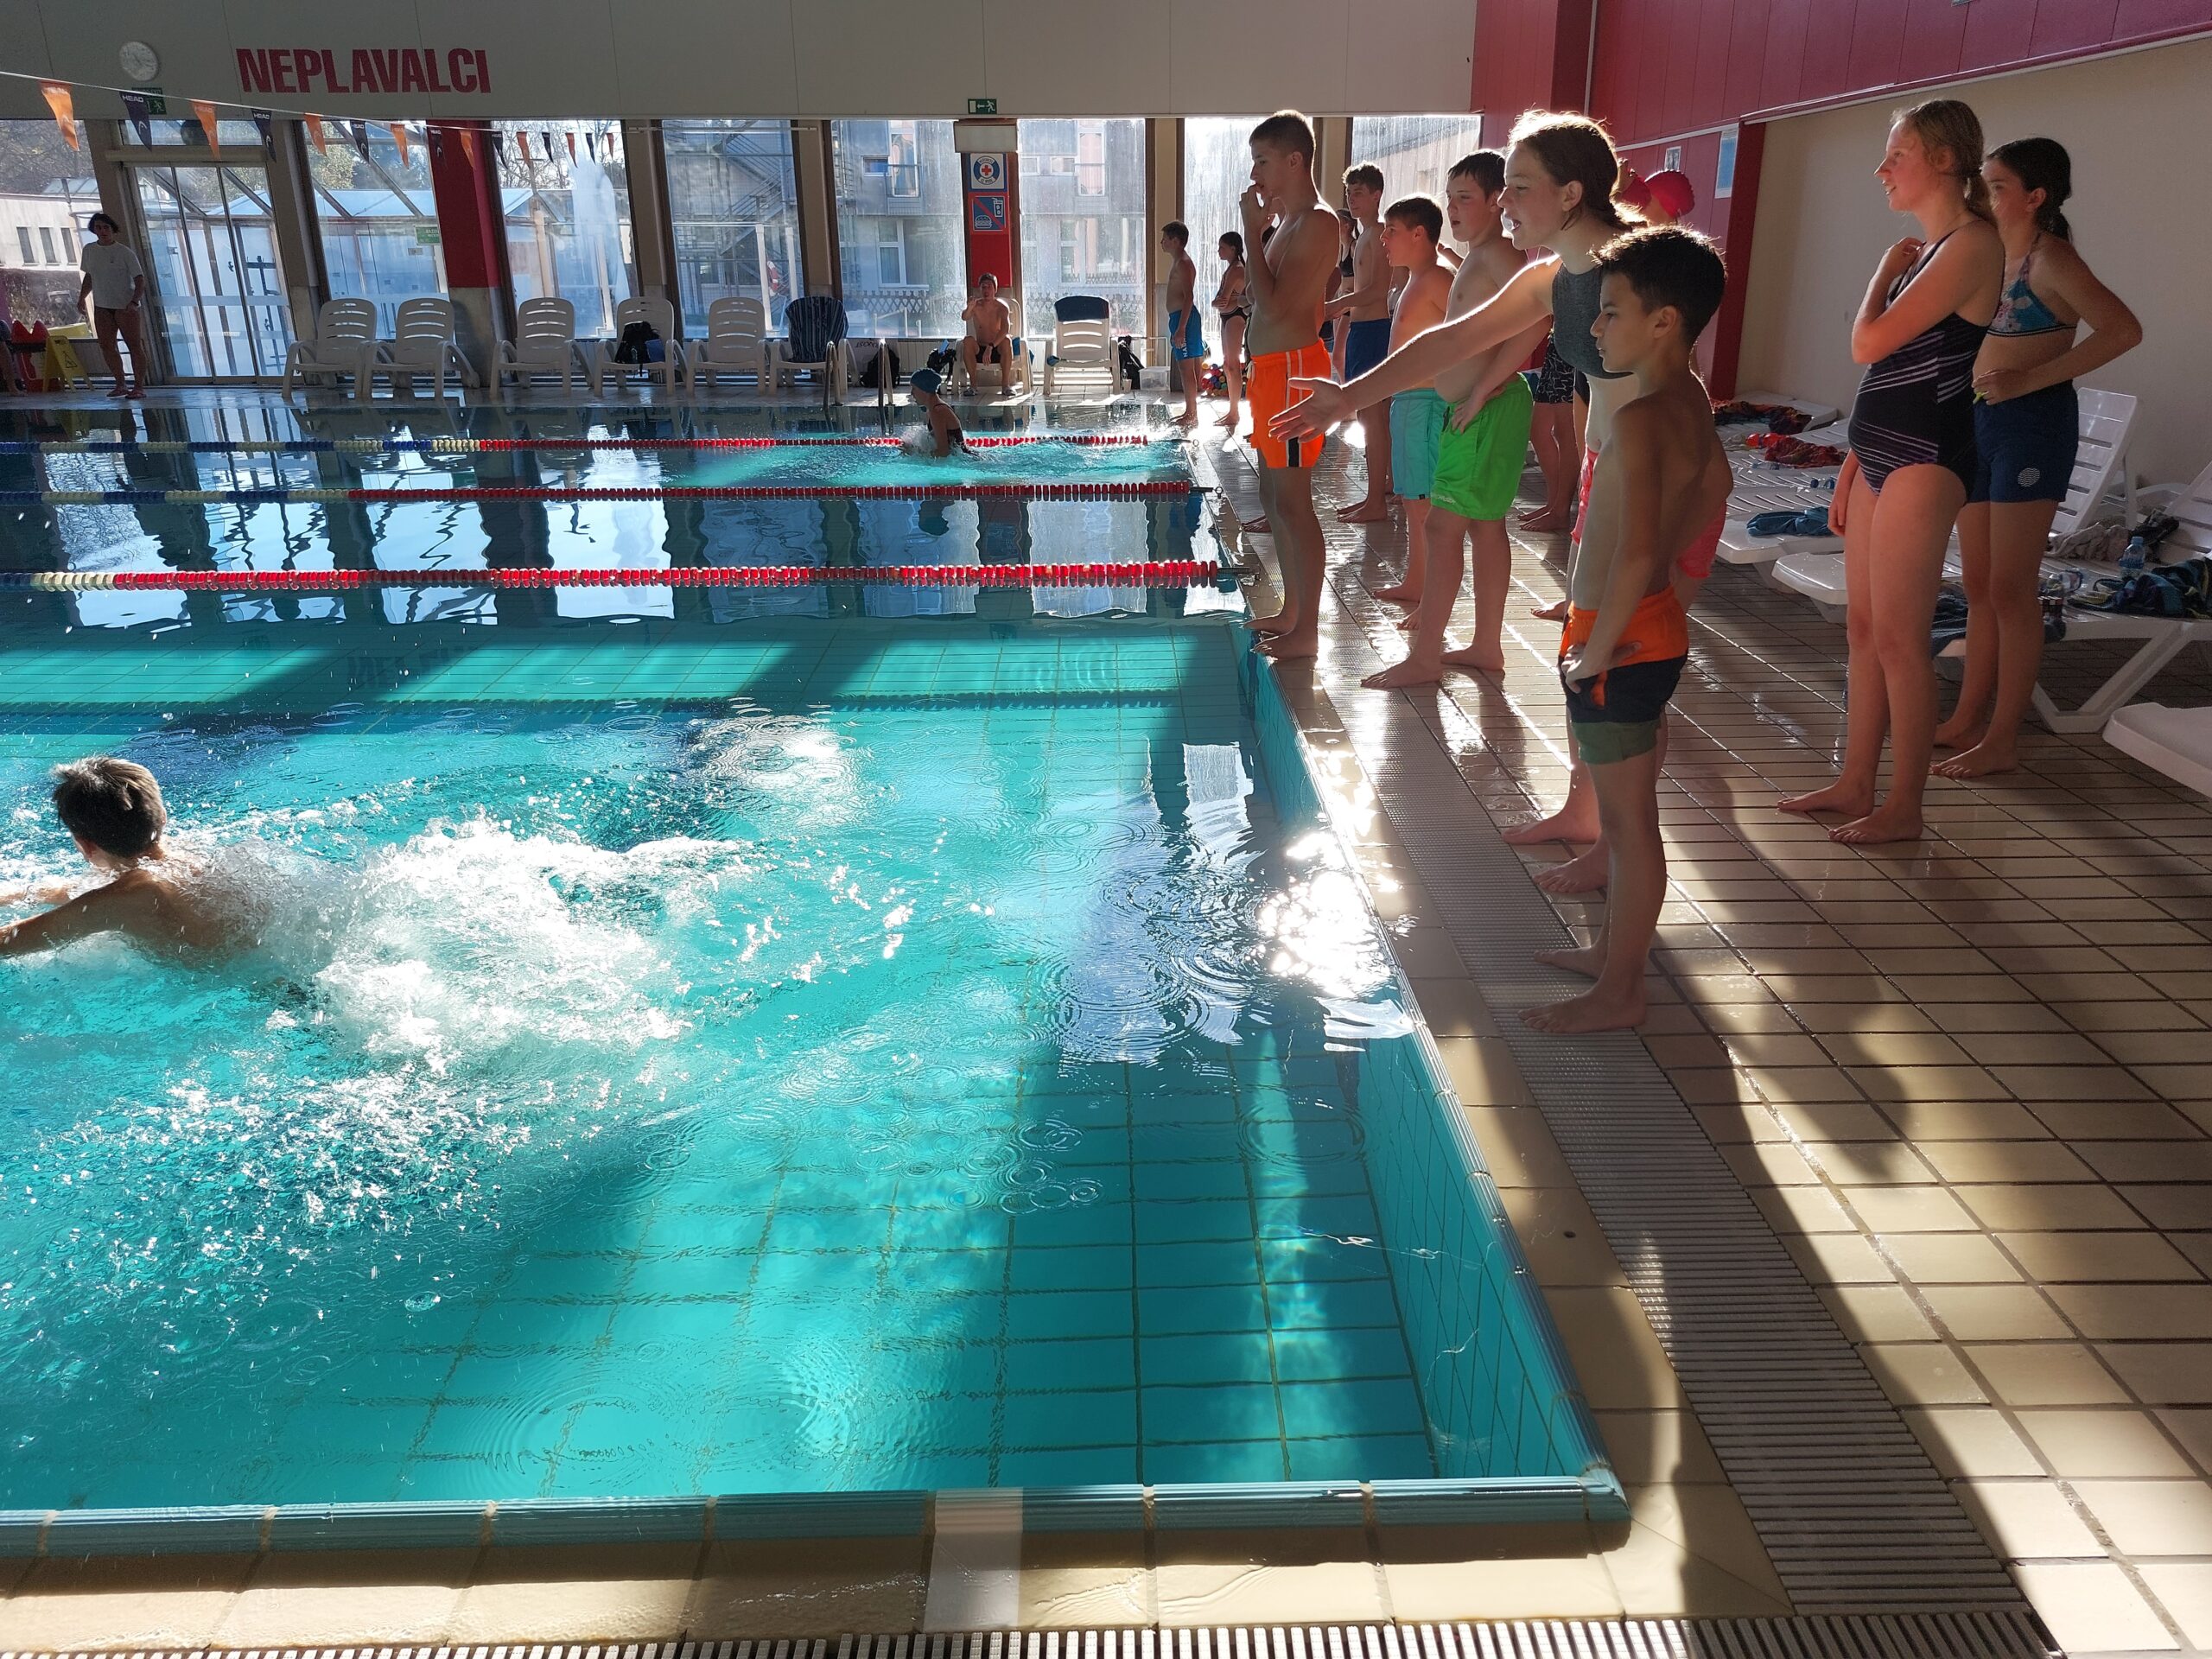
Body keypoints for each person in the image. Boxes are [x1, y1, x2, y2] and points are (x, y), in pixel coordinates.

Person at [1275, 113, 1669, 871]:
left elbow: (1678, 391)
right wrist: (1350, 397)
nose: (1504, 201)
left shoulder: (1640, 268)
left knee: (1629, 659)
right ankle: (1589, 812)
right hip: (1609, 470)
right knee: (1591, 649)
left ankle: (1621, 837)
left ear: (1572, 193)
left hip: (1651, 479)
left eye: (1518, 188)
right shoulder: (1554, 276)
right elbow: (1450, 339)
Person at [1522, 227, 1732, 1033]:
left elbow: (1639, 546)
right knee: (1629, 818)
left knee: (1631, 828)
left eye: (1611, 312)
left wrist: (1598, 650)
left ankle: (1622, 991)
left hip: (1621, 643)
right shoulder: (1691, 400)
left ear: (1663, 322)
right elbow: (1716, 484)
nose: (1595, 328)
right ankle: (1612, 957)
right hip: (1647, 626)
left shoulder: (1643, 417)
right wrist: (1664, 598)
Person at [1778, 99, 2003, 843]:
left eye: (1896, 155)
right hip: (1879, 452)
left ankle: (1904, 806)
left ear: (1943, 160)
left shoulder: (1971, 244)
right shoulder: (1934, 251)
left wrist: (1880, 273)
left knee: (1902, 639)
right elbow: (1890, 371)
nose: (1882, 169)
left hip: (1926, 456)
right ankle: (1854, 782)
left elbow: (1868, 344)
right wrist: (1852, 458)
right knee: (1865, 629)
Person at [1933, 137, 2140, 778]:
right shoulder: (1989, 253)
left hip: (2032, 429)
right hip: (1978, 423)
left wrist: (2031, 379)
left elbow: (2124, 330)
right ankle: (1967, 718)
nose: (1984, 195)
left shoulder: (2053, 259)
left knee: (2010, 588)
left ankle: (2003, 738)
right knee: (1978, 584)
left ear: (2035, 196)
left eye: (1997, 186)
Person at [1364, 154, 1545, 686]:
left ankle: (1426, 657)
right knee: (1485, 528)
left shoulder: (1499, 256)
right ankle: (1486, 645)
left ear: (1497, 200)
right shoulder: (1478, 256)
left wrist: (1484, 387)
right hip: (1477, 407)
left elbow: (1541, 315)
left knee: (1443, 528)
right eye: (1451, 198)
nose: (1454, 208)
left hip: (1483, 409)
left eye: (1465, 197)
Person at [1239, 111, 1341, 662]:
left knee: (1295, 503)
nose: (1255, 173)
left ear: (1295, 160)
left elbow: (1276, 306)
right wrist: (1260, 237)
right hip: (1270, 372)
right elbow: (1261, 297)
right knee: (1273, 496)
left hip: (1294, 374)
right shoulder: (1290, 222)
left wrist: (1251, 235)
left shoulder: (1319, 223)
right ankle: (1292, 608)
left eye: (1263, 161)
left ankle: (1308, 629)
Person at [0, 759, 250, 959]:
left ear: (85, 845)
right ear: (163, 817)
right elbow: (86, 889)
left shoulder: (121, 900)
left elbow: (10, 942)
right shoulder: (188, 856)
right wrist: (15, 895)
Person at [1363, 195, 1454, 610]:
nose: (1383, 238)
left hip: (1426, 402)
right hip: (1410, 401)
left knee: (1424, 503)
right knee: (1413, 501)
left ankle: (1429, 590)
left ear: (1419, 234)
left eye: (1392, 231)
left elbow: (1469, 336)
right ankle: (1417, 580)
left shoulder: (1437, 280)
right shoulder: (1413, 282)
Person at [1332, 165, 1396, 523]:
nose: (1352, 199)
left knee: (1372, 418)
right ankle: (1383, 488)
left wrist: (1336, 305)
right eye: (1349, 193)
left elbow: (1377, 290)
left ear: (1376, 195)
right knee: (1372, 417)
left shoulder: (1378, 236)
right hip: (1363, 329)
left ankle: (1375, 501)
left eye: (1359, 193)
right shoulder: (1365, 237)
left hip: (1373, 330)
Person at [79, 213, 149, 400]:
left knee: (134, 344)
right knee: (107, 345)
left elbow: (140, 279)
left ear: (112, 230)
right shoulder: (89, 250)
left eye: (106, 227)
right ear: (94, 230)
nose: (102, 231)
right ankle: (120, 383)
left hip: (124, 305)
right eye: (98, 227)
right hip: (102, 305)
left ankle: (139, 386)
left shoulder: (124, 252)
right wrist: (82, 298)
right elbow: (89, 276)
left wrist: (134, 301)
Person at [1522, 338, 1580, 531]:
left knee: (1565, 433)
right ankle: (1554, 504)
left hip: (1575, 346)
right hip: (1557, 345)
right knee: (1538, 430)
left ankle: (1560, 511)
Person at [1160, 222, 1207, 428]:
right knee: (1183, 367)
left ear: (1176, 241)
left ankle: (1192, 414)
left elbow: (1189, 297)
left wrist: (1181, 328)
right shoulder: (1178, 261)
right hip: (1179, 318)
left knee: (1187, 369)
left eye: (1165, 239)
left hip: (1184, 320)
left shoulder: (1184, 264)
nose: (1161, 242)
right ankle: (1189, 411)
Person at [1211, 231, 1252, 430]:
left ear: (1233, 249)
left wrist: (1218, 302)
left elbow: (1222, 299)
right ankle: (1231, 410)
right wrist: (1217, 302)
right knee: (1227, 364)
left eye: (1222, 247)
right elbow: (1218, 301)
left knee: (1233, 364)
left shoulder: (1237, 269)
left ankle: (1234, 412)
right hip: (1227, 316)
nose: (1219, 251)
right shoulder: (1230, 269)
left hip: (1235, 316)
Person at [958, 273, 1014, 390]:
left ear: (995, 289)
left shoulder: (1002, 307)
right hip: (979, 349)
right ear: (980, 289)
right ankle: (973, 386)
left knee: (1007, 340)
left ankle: (1005, 385)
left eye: (989, 287)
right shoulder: (976, 306)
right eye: (983, 287)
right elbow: (964, 317)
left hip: (996, 348)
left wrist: (991, 346)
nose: (986, 290)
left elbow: (1005, 329)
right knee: (967, 340)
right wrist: (969, 307)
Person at [902, 366, 966, 457]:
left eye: (914, 388)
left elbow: (943, 453)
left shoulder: (938, 412)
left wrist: (915, 453)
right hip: (959, 458)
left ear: (924, 390)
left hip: (963, 460)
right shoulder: (932, 409)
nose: (912, 393)